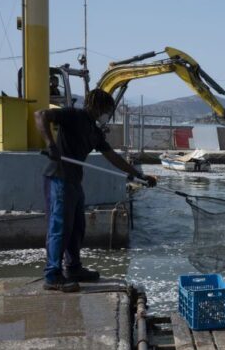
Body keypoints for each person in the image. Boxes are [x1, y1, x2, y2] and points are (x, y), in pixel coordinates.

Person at [35, 88, 157, 292]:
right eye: (107, 109)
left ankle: (73, 268)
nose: (108, 114)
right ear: (97, 106)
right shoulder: (73, 115)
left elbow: (112, 156)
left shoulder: (94, 131)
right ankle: (52, 275)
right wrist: (51, 145)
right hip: (58, 177)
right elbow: (40, 115)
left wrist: (139, 175)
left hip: (74, 181)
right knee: (60, 227)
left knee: (77, 227)